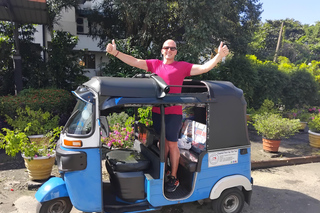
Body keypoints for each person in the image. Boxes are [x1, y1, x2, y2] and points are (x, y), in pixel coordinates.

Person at [106, 39, 229, 192]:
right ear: (162, 50)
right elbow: (135, 62)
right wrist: (115, 53)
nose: (169, 50)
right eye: (166, 48)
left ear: (176, 51)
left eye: (172, 48)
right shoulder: (155, 65)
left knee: (172, 144)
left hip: (173, 114)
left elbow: (203, 68)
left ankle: (173, 177)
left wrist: (218, 56)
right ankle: (163, 171)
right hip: (157, 112)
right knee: (161, 143)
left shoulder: (182, 66)